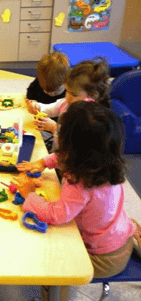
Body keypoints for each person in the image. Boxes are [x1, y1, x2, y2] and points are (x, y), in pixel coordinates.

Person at [13, 101, 141, 279]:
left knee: (55, 261)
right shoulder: (104, 163)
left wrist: (30, 195)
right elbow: (66, 156)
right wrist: (43, 162)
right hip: (119, 236)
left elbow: (57, 215)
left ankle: (56, 296)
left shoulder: (81, 183)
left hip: (105, 258)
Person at [26, 57, 111, 151]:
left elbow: (74, 141)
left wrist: (55, 128)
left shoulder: (91, 119)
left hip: (72, 159)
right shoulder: (67, 102)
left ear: (92, 96)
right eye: (67, 91)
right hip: (58, 152)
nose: (68, 97)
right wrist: (38, 106)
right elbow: (51, 108)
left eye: (73, 94)